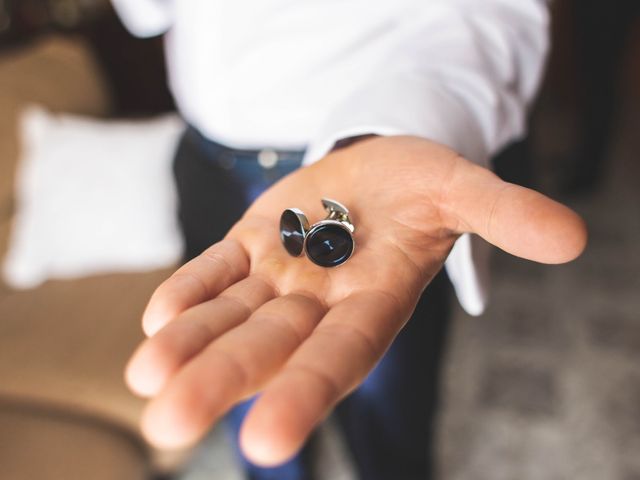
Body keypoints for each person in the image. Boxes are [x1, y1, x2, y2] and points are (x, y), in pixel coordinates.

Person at [112, 1, 587, 479]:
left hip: (370, 169)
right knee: (250, 408)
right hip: (203, 163)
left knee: (387, 428)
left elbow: (491, 13)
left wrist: (413, 124)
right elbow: (147, 15)